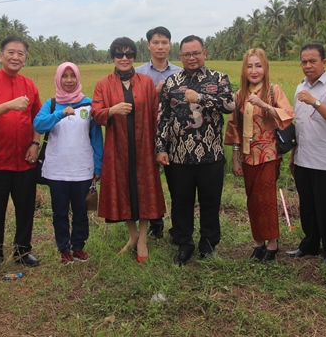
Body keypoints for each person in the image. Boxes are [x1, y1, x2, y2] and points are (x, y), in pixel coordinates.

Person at [156, 35, 235, 266]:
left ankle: (208, 244)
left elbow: (230, 105)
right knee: (181, 202)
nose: (192, 58)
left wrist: (200, 97)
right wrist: (160, 148)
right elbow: (163, 117)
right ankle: (184, 244)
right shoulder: (171, 82)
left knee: (211, 202)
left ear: (204, 53)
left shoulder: (218, 78)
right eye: (187, 54)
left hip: (210, 155)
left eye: (196, 53)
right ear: (180, 56)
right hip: (178, 156)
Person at [91, 37, 165, 263]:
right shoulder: (103, 84)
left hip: (143, 146)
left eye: (129, 54)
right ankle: (132, 235)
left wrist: (157, 147)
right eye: (119, 54)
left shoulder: (145, 83)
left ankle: (143, 238)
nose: (124, 58)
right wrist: (111, 110)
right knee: (123, 189)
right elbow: (96, 112)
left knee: (144, 190)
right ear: (112, 57)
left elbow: (155, 116)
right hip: (118, 148)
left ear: (134, 56)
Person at [0, 36, 42, 276]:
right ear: (0, 55)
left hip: (24, 161)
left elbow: (38, 119)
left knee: (25, 209)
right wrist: (9, 105)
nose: (16, 57)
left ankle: (23, 251)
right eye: (11, 52)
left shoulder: (29, 85)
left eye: (21, 53)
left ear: (25, 58)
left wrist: (35, 143)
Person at [225, 48, 294, 262]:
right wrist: (235, 156)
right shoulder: (241, 95)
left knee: (266, 200)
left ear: (265, 68)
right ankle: (258, 242)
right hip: (247, 155)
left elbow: (288, 115)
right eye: (249, 66)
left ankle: (272, 243)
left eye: (258, 65)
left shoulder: (274, 90)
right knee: (252, 200)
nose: (254, 70)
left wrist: (264, 105)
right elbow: (234, 125)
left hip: (268, 154)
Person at [34, 62, 103, 265]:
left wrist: (98, 166)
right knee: (60, 212)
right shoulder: (52, 104)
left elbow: (96, 138)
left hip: (83, 168)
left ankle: (79, 247)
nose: (69, 80)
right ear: (58, 79)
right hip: (57, 169)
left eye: (73, 76)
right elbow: (38, 124)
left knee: (81, 211)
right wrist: (59, 114)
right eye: (65, 76)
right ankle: (64, 249)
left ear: (78, 78)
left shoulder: (89, 104)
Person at [285, 43, 326, 265]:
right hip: (303, 157)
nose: (308, 65)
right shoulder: (300, 87)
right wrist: (293, 156)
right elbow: (299, 125)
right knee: (308, 205)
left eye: (313, 61)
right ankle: (310, 244)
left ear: (324, 62)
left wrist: (315, 102)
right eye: (304, 61)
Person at [135, 26, 182, 240]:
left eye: (164, 42)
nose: (160, 46)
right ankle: (155, 224)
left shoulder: (180, 73)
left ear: (170, 45)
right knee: (148, 182)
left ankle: (179, 227)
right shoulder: (138, 73)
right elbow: (132, 103)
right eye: (156, 42)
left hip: (174, 136)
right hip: (145, 135)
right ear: (148, 45)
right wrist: (153, 93)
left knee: (177, 183)